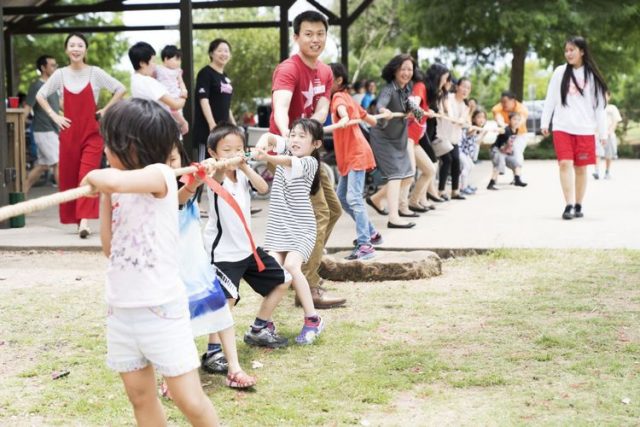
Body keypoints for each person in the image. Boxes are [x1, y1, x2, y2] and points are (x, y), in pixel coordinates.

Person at [80, 98, 219, 426]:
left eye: (109, 143)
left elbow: (113, 180)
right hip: (122, 310)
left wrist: (101, 180)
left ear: (131, 145)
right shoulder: (116, 186)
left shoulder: (161, 175)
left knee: (188, 399)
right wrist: (103, 194)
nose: (105, 150)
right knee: (140, 398)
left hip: (162, 310)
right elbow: (108, 247)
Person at [196, 125, 292, 373]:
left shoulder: (242, 175)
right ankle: (213, 352)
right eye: (226, 150)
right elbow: (216, 177)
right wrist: (219, 165)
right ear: (213, 153)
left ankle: (259, 328)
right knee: (225, 302)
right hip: (224, 254)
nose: (233, 154)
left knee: (283, 280)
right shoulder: (213, 178)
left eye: (238, 149)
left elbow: (263, 188)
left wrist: (245, 165)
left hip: (248, 249)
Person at [268, 10, 345, 309]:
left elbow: (322, 111)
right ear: (296, 36)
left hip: (309, 153)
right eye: (308, 34)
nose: (315, 39)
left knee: (334, 210)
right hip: (292, 156)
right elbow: (281, 107)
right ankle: (308, 286)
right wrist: (291, 142)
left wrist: (310, 139)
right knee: (318, 215)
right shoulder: (288, 69)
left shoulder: (325, 72)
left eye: (320, 34)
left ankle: (300, 270)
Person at [170, 142, 257, 391]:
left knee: (221, 314)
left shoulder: (190, 182)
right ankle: (172, 378)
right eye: (163, 162)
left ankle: (235, 370)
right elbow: (180, 197)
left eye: (173, 160)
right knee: (176, 325)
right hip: (172, 273)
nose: (169, 166)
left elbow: (201, 184)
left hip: (197, 267)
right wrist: (194, 181)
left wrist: (204, 172)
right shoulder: (159, 193)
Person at [36, 32, 125, 238]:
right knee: (69, 177)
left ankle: (84, 221)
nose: (76, 49)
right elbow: (41, 95)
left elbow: (119, 88)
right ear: (67, 50)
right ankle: (78, 220)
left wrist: (105, 110)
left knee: (86, 175)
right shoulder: (59, 75)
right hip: (68, 133)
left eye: (80, 45)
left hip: (92, 134)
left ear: (85, 49)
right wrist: (54, 116)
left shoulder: (95, 72)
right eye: (72, 45)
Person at [255, 118, 326, 344]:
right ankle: (265, 322)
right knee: (274, 275)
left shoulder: (309, 163)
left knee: (291, 267)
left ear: (316, 144)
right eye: (293, 134)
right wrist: (261, 144)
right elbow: (269, 137)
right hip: (278, 229)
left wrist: (267, 157)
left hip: (302, 228)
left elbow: (284, 161)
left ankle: (312, 319)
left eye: (302, 136)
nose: (295, 139)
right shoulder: (288, 147)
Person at [541, 36, 607, 220]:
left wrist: (603, 132)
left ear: (582, 51)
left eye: (572, 50)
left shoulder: (592, 76)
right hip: (562, 127)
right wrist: (545, 122)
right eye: (566, 50)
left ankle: (578, 204)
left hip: (585, 129)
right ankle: (568, 205)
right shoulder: (559, 72)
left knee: (581, 168)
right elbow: (551, 99)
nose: (568, 53)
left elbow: (599, 107)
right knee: (564, 164)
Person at [329, 62, 384, 260]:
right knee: (343, 197)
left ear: (338, 80)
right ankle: (371, 233)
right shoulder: (349, 98)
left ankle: (365, 245)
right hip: (351, 155)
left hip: (355, 154)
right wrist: (382, 115)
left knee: (353, 198)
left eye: (327, 77)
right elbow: (372, 120)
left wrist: (343, 118)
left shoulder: (338, 97)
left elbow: (342, 110)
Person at [366, 54, 418, 229]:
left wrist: (416, 112)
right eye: (403, 69)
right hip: (383, 138)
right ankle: (393, 217)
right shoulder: (389, 88)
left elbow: (413, 109)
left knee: (406, 176)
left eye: (409, 69)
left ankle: (376, 198)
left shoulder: (407, 89)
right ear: (395, 70)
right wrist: (384, 110)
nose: (406, 72)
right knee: (396, 175)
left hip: (398, 138)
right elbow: (381, 103)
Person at [194, 39, 236, 160]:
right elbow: (204, 100)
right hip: (207, 131)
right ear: (211, 53)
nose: (224, 54)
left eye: (226, 51)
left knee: (221, 166)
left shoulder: (225, 77)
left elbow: (227, 105)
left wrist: (233, 125)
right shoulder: (205, 73)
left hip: (223, 132)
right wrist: (212, 125)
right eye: (220, 50)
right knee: (206, 167)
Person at [24, 55, 60, 194]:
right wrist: (18, 130)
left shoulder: (53, 85)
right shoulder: (37, 86)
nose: (55, 68)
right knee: (58, 163)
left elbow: (59, 105)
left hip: (52, 130)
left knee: (43, 166)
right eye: (52, 65)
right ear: (43, 68)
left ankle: (21, 194)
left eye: (55, 65)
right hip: (44, 131)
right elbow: (27, 108)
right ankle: (65, 200)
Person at [406, 68, 437, 212]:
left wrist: (426, 112)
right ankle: (401, 206)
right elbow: (412, 105)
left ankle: (413, 201)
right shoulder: (420, 86)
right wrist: (424, 113)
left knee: (429, 170)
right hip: (409, 137)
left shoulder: (423, 88)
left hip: (415, 140)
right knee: (409, 174)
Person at [435, 77, 470, 200]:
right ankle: (441, 191)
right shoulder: (448, 98)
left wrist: (461, 120)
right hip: (442, 136)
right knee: (448, 160)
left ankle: (455, 191)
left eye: (468, 88)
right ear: (457, 87)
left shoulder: (465, 106)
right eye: (464, 86)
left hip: (454, 139)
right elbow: (448, 113)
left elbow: (463, 120)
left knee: (456, 161)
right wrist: (457, 120)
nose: (465, 90)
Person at [128, 42, 186, 115]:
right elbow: (175, 105)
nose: (155, 65)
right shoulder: (148, 82)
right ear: (142, 63)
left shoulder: (135, 79)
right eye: (153, 61)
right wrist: (183, 96)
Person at [423, 63, 451, 203]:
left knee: (434, 164)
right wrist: (428, 112)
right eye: (444, 78)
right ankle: (429, 193)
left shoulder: (437, 92)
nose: (446, 82)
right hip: (422, 132)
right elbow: (417, 108)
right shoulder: (424, 88)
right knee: (430, 165)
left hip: (431, 132)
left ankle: (425, 195)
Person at [487, 112, 528, 190]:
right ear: (510, 120)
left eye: (518, 120)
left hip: (505, 152)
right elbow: (502, 130)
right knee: (499, 166)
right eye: (514, 119)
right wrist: (498, 130)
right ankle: (491, 184)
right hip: (496, 150)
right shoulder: (507, 129)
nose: (516, 121)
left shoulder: (516, 130)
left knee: (517, 164)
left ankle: (517, 180)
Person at [155, 45, 190, 135]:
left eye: (180, 60)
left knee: (175, 111)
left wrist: (184, 90)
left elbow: (181, 82)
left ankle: (181, 123)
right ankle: (180, 124)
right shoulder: (158, 69)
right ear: (166, 59)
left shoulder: (177, 71)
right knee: (167, 113)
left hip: (175, 94)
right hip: (164, 95)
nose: (179, 62)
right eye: (176, 59)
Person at [492, 90, 529, 172]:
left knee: (516, 150)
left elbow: (521, 120)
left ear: (513, 101)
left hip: (520, 135)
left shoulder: (521, 109)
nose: (503, 104)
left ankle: (517, 175)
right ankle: (501, 172)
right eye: (502, 102)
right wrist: (503, 126)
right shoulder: (497, 108)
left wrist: (514, 125)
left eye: (505, 102)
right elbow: (499, 119)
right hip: (506, 135)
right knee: (501, 153)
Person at [593, 91, 621, 180]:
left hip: (609, 134)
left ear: (609, 97)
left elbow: (615, 121)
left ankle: (607, 172)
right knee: (597, 153)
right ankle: (596, 171)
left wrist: (610, 131)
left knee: (608, 155)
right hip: (598, 135)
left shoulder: (612, 108)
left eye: (605, 96)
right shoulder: (596, 108)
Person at [459, 110, 488, 194]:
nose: (481, 119)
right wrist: (473, 130)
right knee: (467, 166)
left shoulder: (479, 129)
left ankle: (464, 185)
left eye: (483, 117)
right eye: (479, 117)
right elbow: (468, 133)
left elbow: (477, 142)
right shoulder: (471, 127)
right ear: (474, 119)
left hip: (466, 152)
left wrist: (483, 134)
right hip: (461, 150)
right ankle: (462, 187)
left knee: (470, 166)